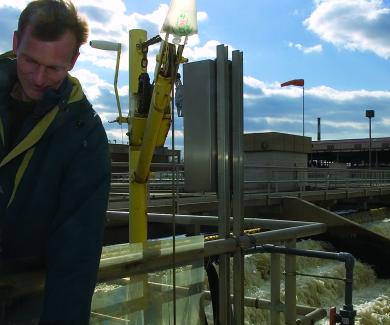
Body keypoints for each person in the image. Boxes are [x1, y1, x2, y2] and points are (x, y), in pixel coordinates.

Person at [0, 0, 111, 323]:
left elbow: (77, 254)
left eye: (53, 69)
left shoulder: (84, 136)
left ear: (74, 60)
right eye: (30, 61)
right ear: (15, 42)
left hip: (24, 302)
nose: (37, 78)